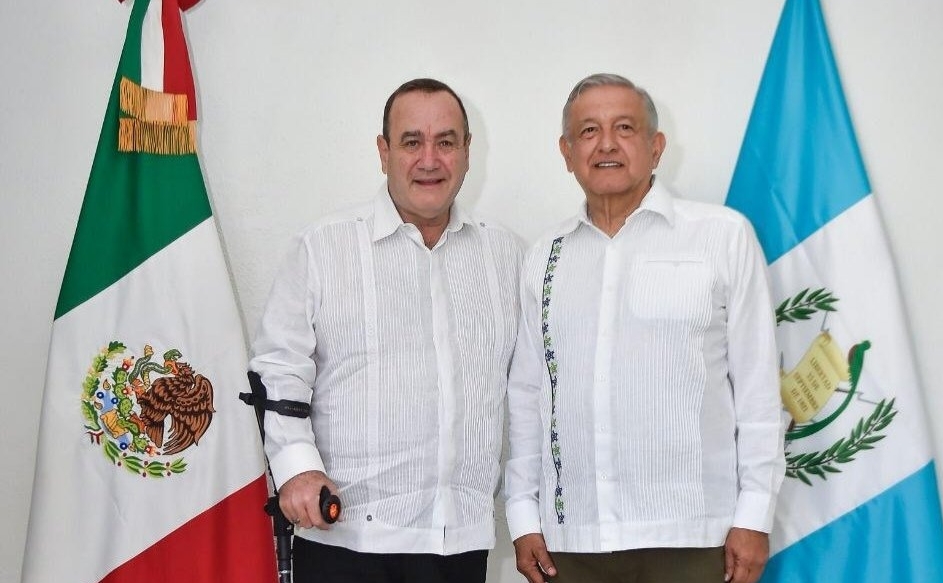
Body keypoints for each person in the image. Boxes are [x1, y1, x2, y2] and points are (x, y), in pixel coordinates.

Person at [505, 73, 784, 583]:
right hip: (574, 543)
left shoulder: (722, 237)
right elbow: (528, 394)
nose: (606, 144)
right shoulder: (544, 256)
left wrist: (755, 516)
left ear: (656, 147)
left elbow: (758, 390)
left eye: (625, 128)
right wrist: (523, 516)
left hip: (695, 540)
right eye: (589, 131)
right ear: (567, 152)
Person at [249, 78, 522, 583]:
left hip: (460, 544)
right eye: (412, 141)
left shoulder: (506, 255)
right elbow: (278, 370)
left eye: (446, 141)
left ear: (467, 151)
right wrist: (297, 469)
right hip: (346, 540)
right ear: (384, 151)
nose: (429, 159)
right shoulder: (323, 248)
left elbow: (527, 392)